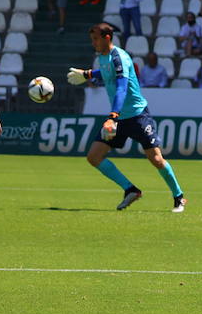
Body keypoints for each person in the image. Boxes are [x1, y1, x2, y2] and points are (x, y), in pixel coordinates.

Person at [66, 23, 186, 212]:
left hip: (138, 116)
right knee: (94, 157)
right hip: (120, 118)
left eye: (95, 39)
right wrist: (88, 74)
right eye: (92, 40)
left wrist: (112, 117)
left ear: (107, 38)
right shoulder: (104, 57)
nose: (93, 43)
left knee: (155, 159)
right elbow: (106, 73)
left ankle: (178, 196)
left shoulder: (119, 57)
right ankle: (131, 190)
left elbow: (122, 88)